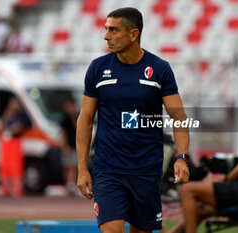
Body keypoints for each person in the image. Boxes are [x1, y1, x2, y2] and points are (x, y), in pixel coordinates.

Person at [76, 7, 190, 233]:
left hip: (146, 171)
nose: (106, 36)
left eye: (114, 30)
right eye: (106, 29)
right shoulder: (98, 69)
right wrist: (82, 168)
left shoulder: (159, 69)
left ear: (133, 34)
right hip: (108, 170)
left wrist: (182, 157)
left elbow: (178, 117)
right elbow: (85, 119)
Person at [0, 97, 30, 197]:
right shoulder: (9, 115)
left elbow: (17, 128)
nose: (12, 106)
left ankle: (16, 189)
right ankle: (6, 188)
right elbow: (2, 125)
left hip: (15, 142)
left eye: (14, 104)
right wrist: (8, 115)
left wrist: (9, 130)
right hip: (7, 143)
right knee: (5, 166)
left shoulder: (21, 116)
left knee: (15, 166)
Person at [60, 97, 79, 195]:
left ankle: (71, 184)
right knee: (68, 166)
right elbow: (63, 134)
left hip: (76, 145)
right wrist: (64, 146)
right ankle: (69, 184)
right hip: (69, 145)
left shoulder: (77, 116)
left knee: (74, 165)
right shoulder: (65, 119)